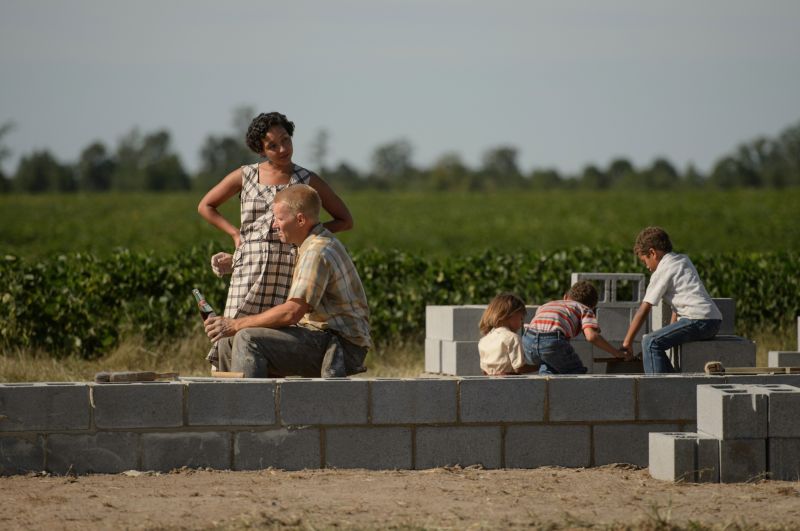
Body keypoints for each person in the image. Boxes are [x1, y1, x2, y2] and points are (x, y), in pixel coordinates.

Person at [197, 111, 353, 370]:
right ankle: (230, 390)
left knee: (272, 339)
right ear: (260, 150)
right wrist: (236, 235)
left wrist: (306, 233)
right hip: (248, 271)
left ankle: (266, 392)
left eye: (286, 140)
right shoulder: (246, 175)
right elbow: (206, 205)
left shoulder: (306, 179)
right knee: (231, 334)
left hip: (288, 270)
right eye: (272, 145)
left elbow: (345, 220)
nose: (283, 149)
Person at [204, 184, 370, 378]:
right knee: (228, 341)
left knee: (247, 338)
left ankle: (251, 398)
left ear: (300, 220)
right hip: (321, 338)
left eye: (279, 219)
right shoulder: (308, 244)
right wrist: (236, 262)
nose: (274, 225)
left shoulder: (316, 251)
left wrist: (235, 324)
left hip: (341, 347)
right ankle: (234, 397)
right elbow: (273, 263)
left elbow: (292, 312)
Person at [622, 226, 722, 373]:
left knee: (649, 342)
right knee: (655, 342)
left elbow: (644, 309)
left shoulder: (663, 269)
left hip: (697, 320)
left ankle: (659, 386)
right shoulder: (682, 260)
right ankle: (673, 382)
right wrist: (669, 330)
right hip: (713, 321)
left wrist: (627, 342)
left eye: (645, 261)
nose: (647, 267)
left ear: (652, 253)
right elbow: (679, 302)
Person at [523, 281, 628, 374]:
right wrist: (616, 352)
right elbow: (591, 336)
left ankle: (545, 387)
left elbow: (542, 327)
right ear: (592, 307)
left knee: (549, 366)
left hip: (528, 341)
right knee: (576, 372)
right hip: (551, 343)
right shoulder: (585, 309)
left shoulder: (548, 304)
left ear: (565, 297)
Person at [477, 293, 539, 375]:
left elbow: (484, 371)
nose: (522, 323)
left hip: (489, 380)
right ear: (509, 315)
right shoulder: (512, 338)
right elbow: (519, 368)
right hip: (509, 381)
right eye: (521, 318)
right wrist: (539, 366)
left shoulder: (483, 340)